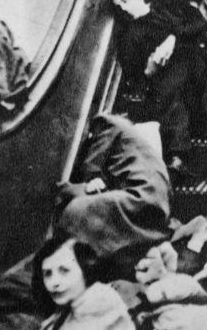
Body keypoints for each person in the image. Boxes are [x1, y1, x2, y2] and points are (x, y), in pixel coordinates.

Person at [110, 0, 207, 175]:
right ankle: (177, 156)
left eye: (125, 0)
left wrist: (173, 38)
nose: (123, 8)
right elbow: (137, 74)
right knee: (169, 88)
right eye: (119, 8)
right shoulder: (131, 35)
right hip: (168, 73)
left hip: (195, 56)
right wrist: (150, 68)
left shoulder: (167, 6)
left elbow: (199, 22)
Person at [54, 114, 171, 273]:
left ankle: (63, 264)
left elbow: (91, 167)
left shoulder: (106, 123)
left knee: (76, 208)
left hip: (143, 196)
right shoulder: (130, 136)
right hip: (156, 200)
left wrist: (70, 188)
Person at [32, 236, 136, 330]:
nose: (54, 282)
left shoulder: (103, 305)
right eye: (48, 273)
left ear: (85, 269)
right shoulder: (67, 309)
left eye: (64, 270)